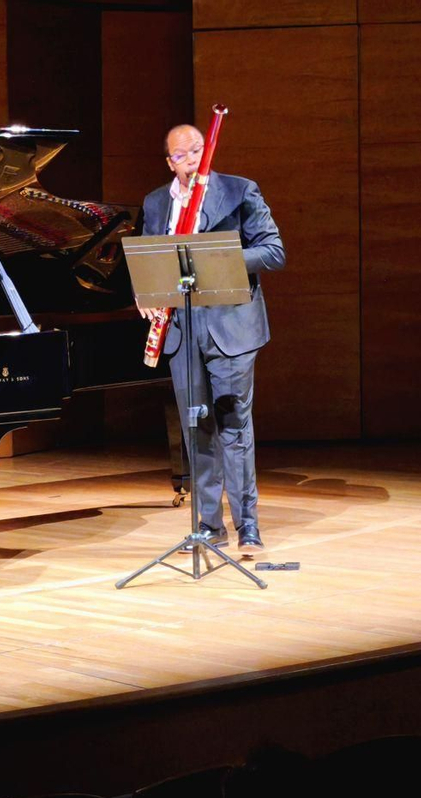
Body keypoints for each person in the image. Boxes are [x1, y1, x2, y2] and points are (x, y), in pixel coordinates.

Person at [140, 123, 285, 556]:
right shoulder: (154, 203)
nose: (191, 160)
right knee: (196, 428)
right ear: (170, 161)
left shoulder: (239, 191)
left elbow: (273, 251)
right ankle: (207, 525)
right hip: (182, 331)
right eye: (181, 155)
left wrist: (215, 258)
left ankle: (249, 526)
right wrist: (145, 293)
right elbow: (150, 261)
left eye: (197, 151)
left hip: (231, 328)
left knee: (234, 426)